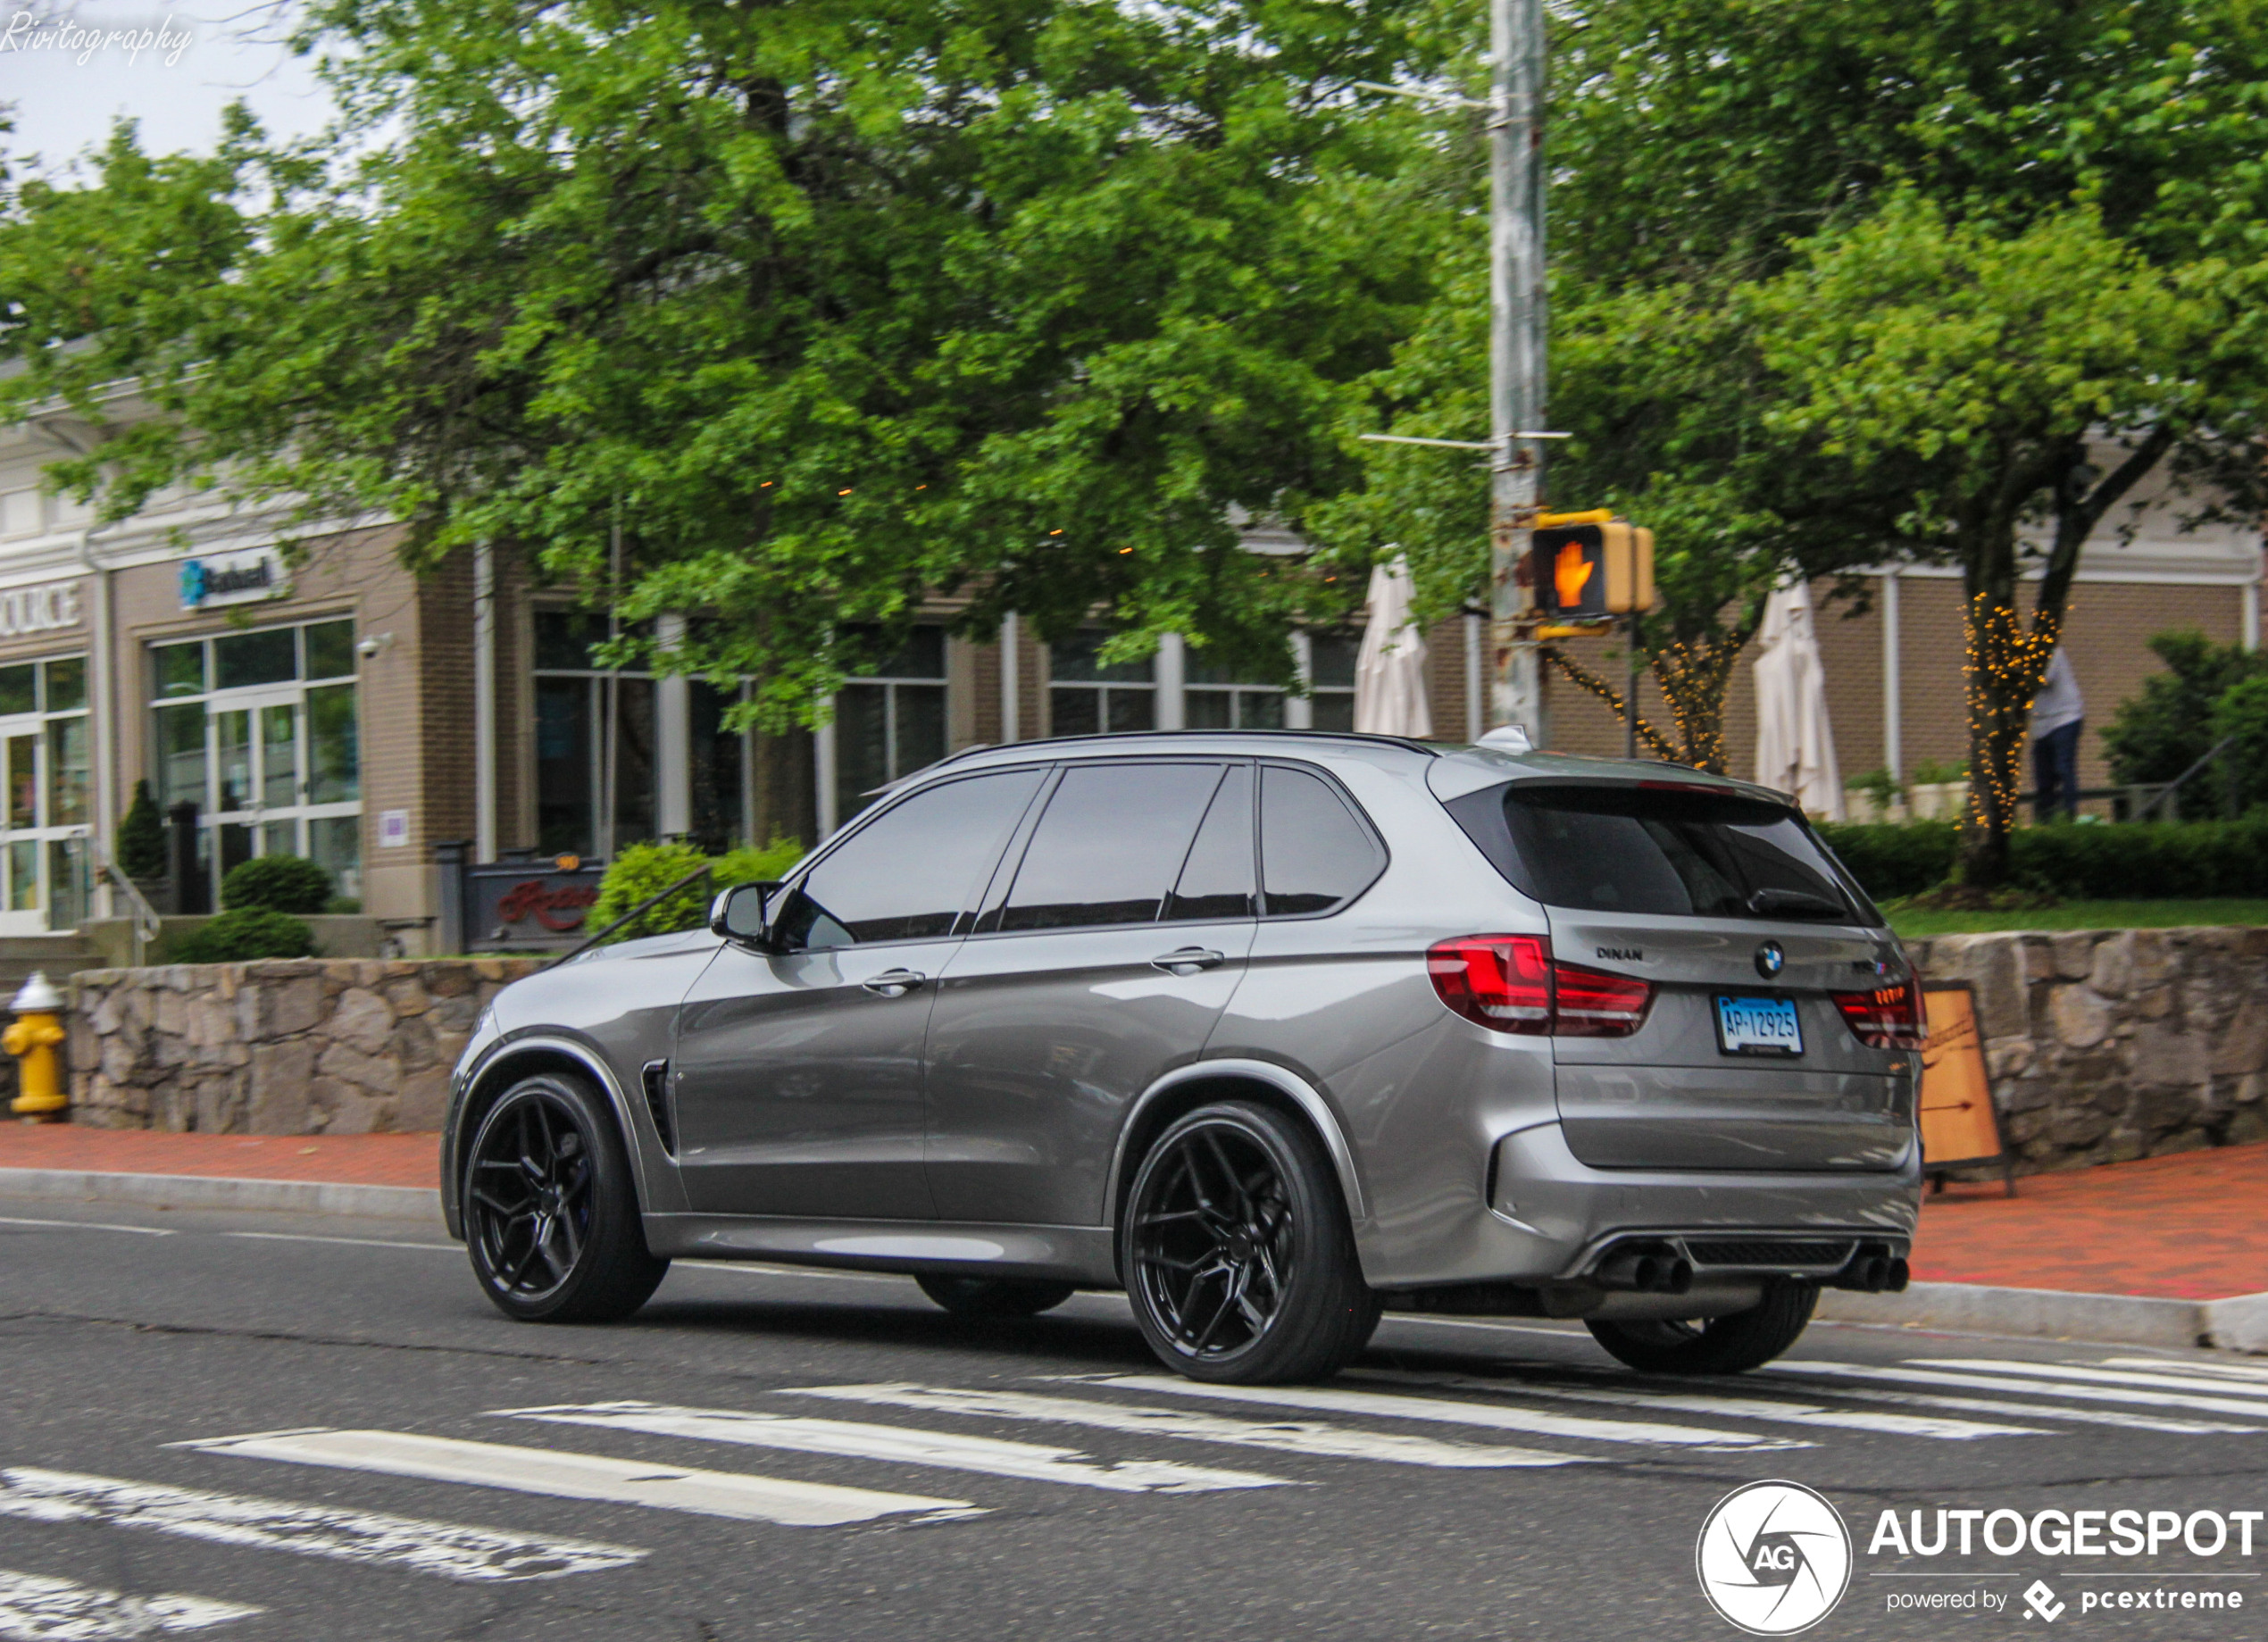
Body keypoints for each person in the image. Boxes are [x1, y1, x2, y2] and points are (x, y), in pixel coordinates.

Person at [2030, 648, 2085, 821]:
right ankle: (2046, 821)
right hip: (2041, 724)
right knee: (2043, 776)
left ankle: (2070, 816)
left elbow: (2044, 679)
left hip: (2066, 717)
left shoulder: (2051, 651)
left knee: (2063, 768)